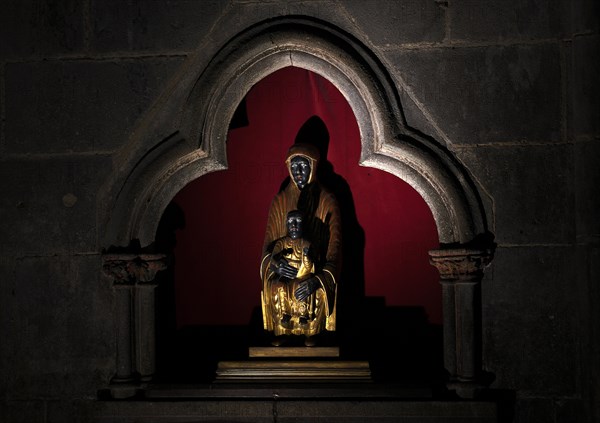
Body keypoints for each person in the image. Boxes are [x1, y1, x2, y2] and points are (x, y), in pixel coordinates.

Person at [260, 143, 341, 346]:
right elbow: (268, 246)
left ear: (313, 167)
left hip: (312, 272)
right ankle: (282, 328)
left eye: (303, 166)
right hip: (284, 273)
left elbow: (335, 249)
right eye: (293, 167)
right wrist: (275, 264)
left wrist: (318, 279)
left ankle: (310, 331)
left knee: (311, 289)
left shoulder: (327, 199)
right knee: (277, 287)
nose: (298, 172)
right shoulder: (280, 200)